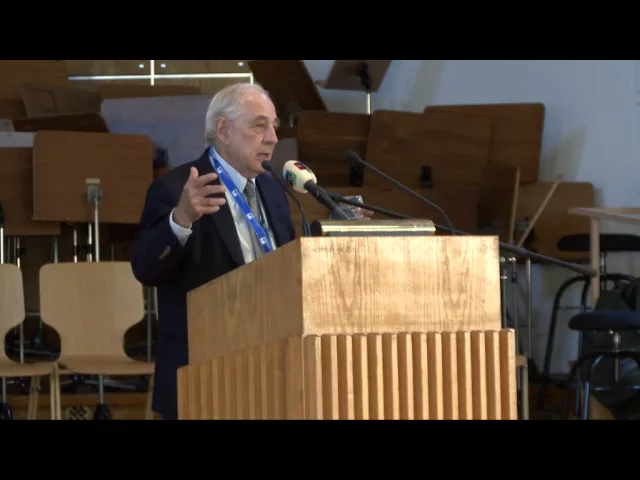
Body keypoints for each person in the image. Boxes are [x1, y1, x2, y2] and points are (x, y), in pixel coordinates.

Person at [131, 82, 373, 420]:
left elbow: (287, 267)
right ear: (223, 130)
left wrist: (335, 238)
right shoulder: (178, 189)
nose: (272, 138)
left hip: (274, 367)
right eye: (259, 126)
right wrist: (181, 219)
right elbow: (145, 267)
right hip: (204, 372)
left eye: (273, 126)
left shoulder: (274, 192)